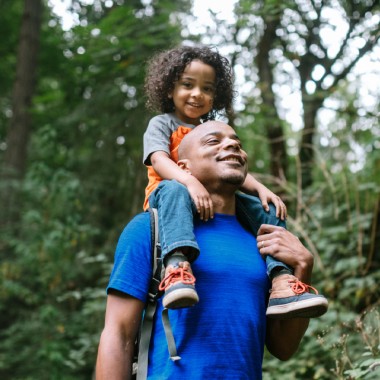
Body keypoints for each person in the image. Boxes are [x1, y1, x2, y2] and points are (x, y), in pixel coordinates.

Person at [96, 121, 328, 379]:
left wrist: (303, 268)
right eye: (213, 141)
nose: (233, 145)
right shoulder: (149, 229)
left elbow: (283, 348)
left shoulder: (264, 239)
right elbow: (118, 335)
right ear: (184, 167)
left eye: (237, 143)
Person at [142, 45, 324, 317]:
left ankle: (281, 281)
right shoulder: (162, 124)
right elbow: (159, 160)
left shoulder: (212, 129)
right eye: (187, 85)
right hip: (170, 196)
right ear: (169, 89)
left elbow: (231, 169)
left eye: (207, 89)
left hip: (213, 198)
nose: (197, 94)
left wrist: (262, 189)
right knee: (173, 189)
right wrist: (189, 182)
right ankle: (177, 266)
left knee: (267, 209)